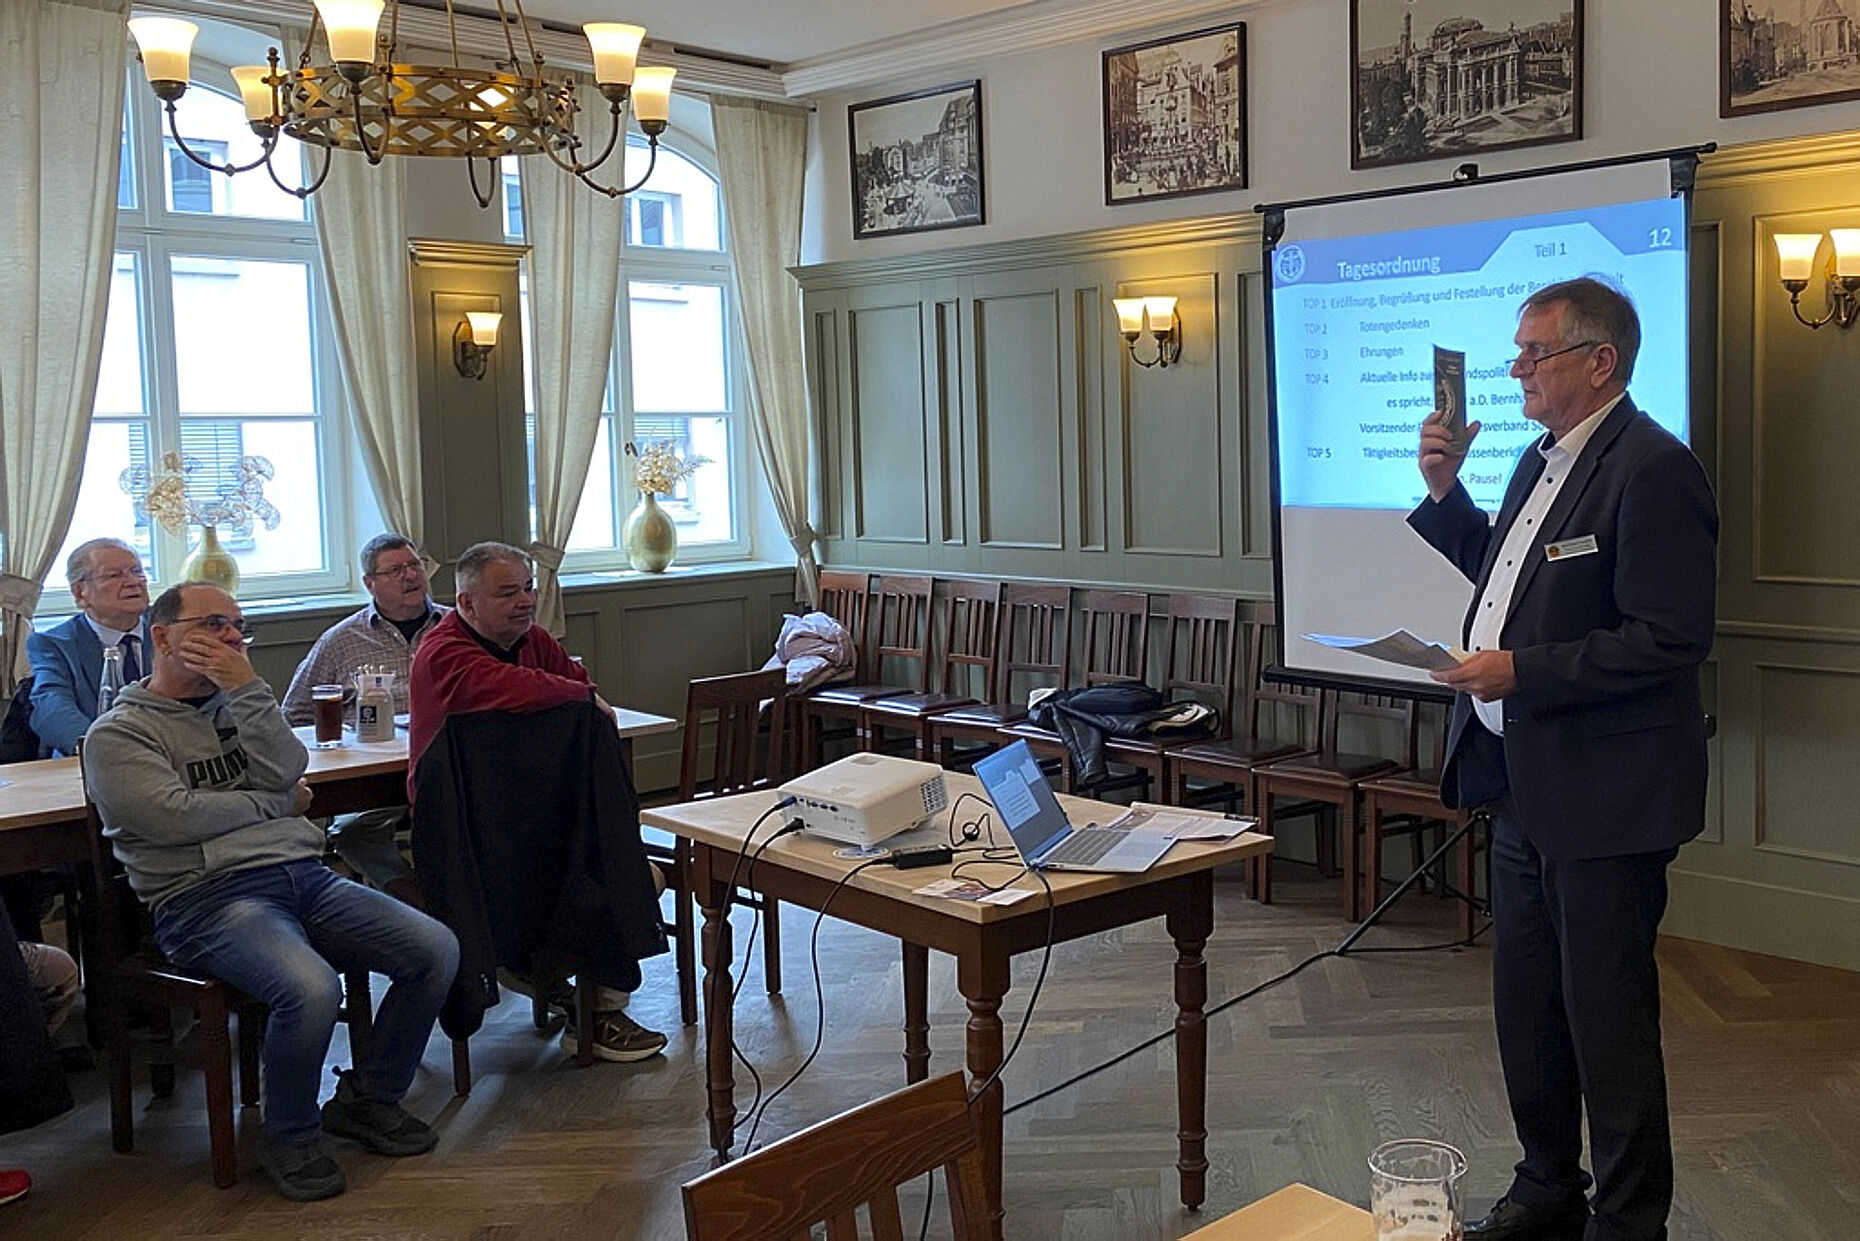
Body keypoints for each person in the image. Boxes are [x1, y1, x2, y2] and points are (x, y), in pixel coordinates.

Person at [1408, 277, 1717, 1241]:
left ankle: (1629, 1221)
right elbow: (1513, 582)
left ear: (1599, 362)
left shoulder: (1654, 467)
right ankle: (1547, 1186)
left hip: (1607, 797)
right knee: (1530, 1011)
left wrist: (1522, 672)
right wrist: (1445, 494)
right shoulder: (1539, 462)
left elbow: (1671, 636)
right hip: (1522, 788)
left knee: (1609, 1023)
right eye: (1516, 354)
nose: (1517, 373)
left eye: (1534, 354)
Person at [83, 582, 460, 1202]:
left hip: (303, 877)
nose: (232, 638)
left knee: (435, 949)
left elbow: (290, 768)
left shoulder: (241, 704)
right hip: (204, 898)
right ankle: (290, 1135)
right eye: (213, 625)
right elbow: (172, 819)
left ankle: (368, 1099)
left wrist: (247, 691)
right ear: (162, 636)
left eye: (238, 626)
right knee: (311, 989)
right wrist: (274, 807)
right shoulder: (119, 733)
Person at [407, 541, 667, 1063]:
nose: (525, 601)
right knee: (564, 889)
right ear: (466, 604)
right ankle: (546, 984)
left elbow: (571, 682)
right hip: (468, 836)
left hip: (539, 819)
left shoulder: (537, 641)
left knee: (619, 874)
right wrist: (584, 698)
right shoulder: (442, 652)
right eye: (508, 593)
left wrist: (581, 693)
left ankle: (597, 1012)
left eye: (529, 588)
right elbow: (512, 685)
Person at [281, 534, 446, 902]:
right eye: (395, 570)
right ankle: (415, 897)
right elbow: (294, 714)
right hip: (373, 775)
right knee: (352, 833)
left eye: (414, 565)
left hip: (447, 768)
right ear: (370, 583)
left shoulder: (457, 628)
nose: (410, 575)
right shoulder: (341, 641)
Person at [27, 537, 151, 756]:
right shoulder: (54, 644)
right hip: (92, 761)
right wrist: (102, 751)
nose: (133, 582)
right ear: (80, 593)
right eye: (115, 575)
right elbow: (50, 706)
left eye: (137, 571)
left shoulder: (170, 630)